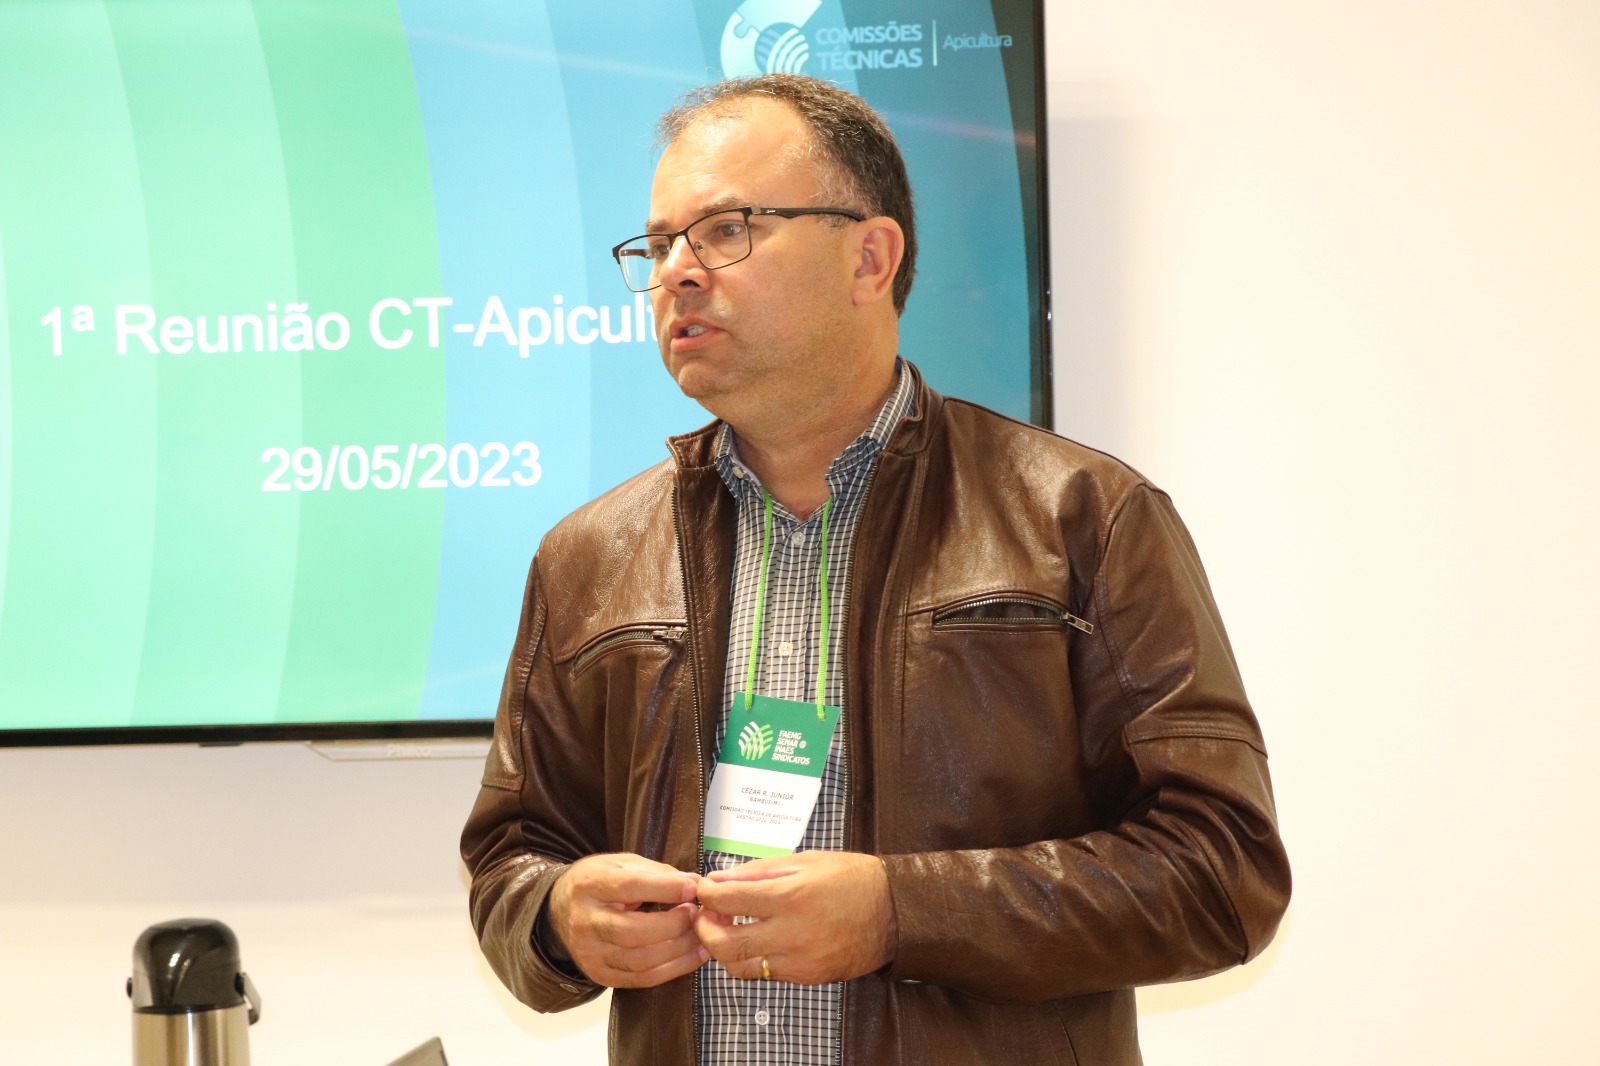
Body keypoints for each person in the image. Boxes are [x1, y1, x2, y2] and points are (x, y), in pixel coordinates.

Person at [461, 73, 1289, 1066]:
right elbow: (509, 861)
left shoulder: (1082, 516)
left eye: (725, 230)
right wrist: (557, 915)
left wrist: (905, 912)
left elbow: (1222, 872)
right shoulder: (590, 557)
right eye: (659, 244)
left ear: (869, 256)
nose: (676, 272)